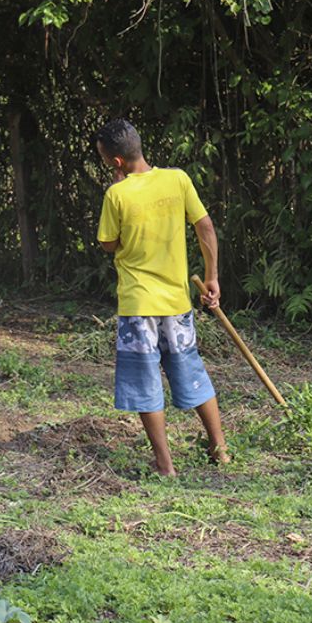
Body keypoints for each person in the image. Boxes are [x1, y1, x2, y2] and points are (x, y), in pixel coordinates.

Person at [95, 118, 231, 476]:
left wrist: (118, 192)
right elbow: (205, 227)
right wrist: (212, 276)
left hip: (138, 305)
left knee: (144, 382)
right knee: (191, 368)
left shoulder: (117, 194)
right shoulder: (178, 179)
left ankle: (165, 465)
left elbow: (109, 243)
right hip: (177, 302)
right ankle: (220, 450)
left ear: (117, 162)